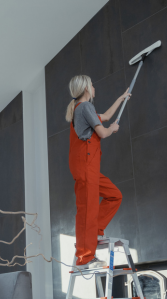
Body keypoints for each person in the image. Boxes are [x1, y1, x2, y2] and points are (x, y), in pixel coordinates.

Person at [66, 75, 131, 269]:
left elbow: (107, 116)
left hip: (89, 166)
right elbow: (102, 132)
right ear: (86, 88)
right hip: (86, 165)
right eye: (92, 85)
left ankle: (95, 231)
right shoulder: (84, 107)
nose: (94, 87)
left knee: (114, 196)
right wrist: (111, 130)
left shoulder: (85, 109)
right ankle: (85, 258)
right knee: (87, 209)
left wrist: (121, 99)